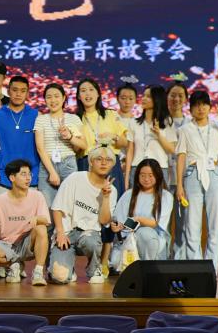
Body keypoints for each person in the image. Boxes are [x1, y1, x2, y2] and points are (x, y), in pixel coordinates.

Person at [175, 89, 218, 272]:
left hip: (214, 174)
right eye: (196, 105)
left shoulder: (217, 127)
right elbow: (181, 156)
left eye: (204, 104)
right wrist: (179, 185)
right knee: (192, 223)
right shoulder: (185, 130)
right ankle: (195, 268)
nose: (200, 108)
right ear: (191, 109)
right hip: (192, 174)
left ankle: (211, 269)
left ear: (210, 107)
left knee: (215, 225)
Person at [75, 78, 129, 275]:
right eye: (83, 90)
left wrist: (113, 137)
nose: (87, 94)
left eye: (91, 89)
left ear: (98, 93)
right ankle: (92, 259)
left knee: (110, 210)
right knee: (90, 210)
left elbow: (124, 142)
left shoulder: (111, 115)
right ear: (78, 95)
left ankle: (105, 261)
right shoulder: (75, 119)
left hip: (109, 164)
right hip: (86, 164)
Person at [49, 147, 117, 284]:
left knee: (91, 242)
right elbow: (56, 208)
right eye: (99, 159)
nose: (104, 163)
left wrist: (105, 197)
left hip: (89, 233)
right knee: (60, 277)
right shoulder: (75, 178)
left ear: (112, 165)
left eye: (108, 160)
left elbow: (104, 221)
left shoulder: (112, 190)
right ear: (91, 162)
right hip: (66, 233)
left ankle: (94, 269)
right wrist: (60, 233)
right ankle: (69, 269)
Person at [0, 159, 50, 286]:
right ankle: (13, 265)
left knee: (41, 228)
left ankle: (38, 272)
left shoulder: (37, 196)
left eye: (29, 174)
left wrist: (37, 219)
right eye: (23, 174)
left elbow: (46, 220)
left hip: (26, 243)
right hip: (7, 244)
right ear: (12, 178)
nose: (28, 178)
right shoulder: (0, 200)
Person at [34, 83, 87, 207]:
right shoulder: (40, 119)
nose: (53, 100)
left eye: (56, 96)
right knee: (47, 207)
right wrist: (52, 172)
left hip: (68, 164)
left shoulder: (74, 118)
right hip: (47, 166)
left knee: (69, 206)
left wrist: (70, 137)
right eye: (49, 97)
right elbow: (40, 148)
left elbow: (83, 145)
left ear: (63, 98)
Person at [111, 159, 173, 261]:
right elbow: (119, 221)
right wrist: (117, 226)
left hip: (153, 240)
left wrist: (138, 220)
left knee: (146, 233)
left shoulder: (166, 196)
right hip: (128, 239)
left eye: (150, 175)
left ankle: (148, 267)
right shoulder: (128, 194)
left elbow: (156, 223)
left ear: (157, 176)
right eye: (142, 175)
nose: (146, 179)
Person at [0, 75, 41, 201]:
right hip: (3, 178)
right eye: (15, 90)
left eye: (22, 91)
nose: (18, 94)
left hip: (30, 179)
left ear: (27, 93)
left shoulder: (37, 116)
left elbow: (43, 148)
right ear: (8, 91)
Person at [166, 81, 190, 260]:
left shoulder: (190, 124)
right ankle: (164, 255)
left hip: (184, 179)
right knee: (163, 220)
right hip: (165, 179)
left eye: (180, 95)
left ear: (186, 99)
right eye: (173, 95)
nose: (176, 99)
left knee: (183, 222)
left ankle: (179, 257)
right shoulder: (160, 122)